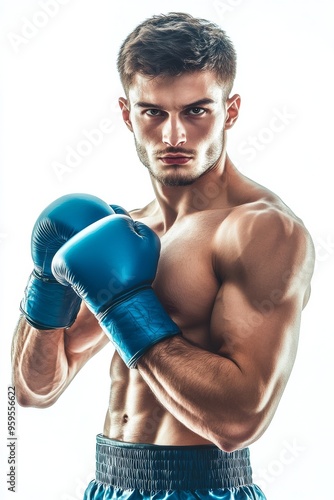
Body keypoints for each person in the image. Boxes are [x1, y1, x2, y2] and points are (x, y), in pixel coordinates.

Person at [11, 12, 315, 500]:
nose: (174, 137)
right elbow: (34, 390)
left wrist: (126, 305)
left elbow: (240, 421)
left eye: (197, 111)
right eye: (153, 112)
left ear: (231, 111)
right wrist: (45, 285)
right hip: (107, 484)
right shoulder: (124, 233)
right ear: (128, 114)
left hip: (202, 489)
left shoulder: (260, 230)